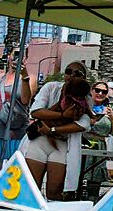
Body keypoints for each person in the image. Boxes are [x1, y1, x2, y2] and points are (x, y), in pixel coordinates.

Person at [21, 61, 90, 200]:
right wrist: (63, 116)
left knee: (55, 191)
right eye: (68, 71)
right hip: (39, 141)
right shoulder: (51, 87)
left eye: (77, 73)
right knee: (31, 189)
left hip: (63, 146)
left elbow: (84, 123)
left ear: (83, 78)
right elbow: (35, 111)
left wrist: (52, 130)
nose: (71, 75)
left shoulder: (86, 98)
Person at [84, 81, 113, 148]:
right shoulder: (83, 107)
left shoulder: (108, 110)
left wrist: (112, 117)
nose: (100, 93)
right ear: (91, 91)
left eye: (104, 92)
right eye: (97, 90)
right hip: (83, 143)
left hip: (100, 147)